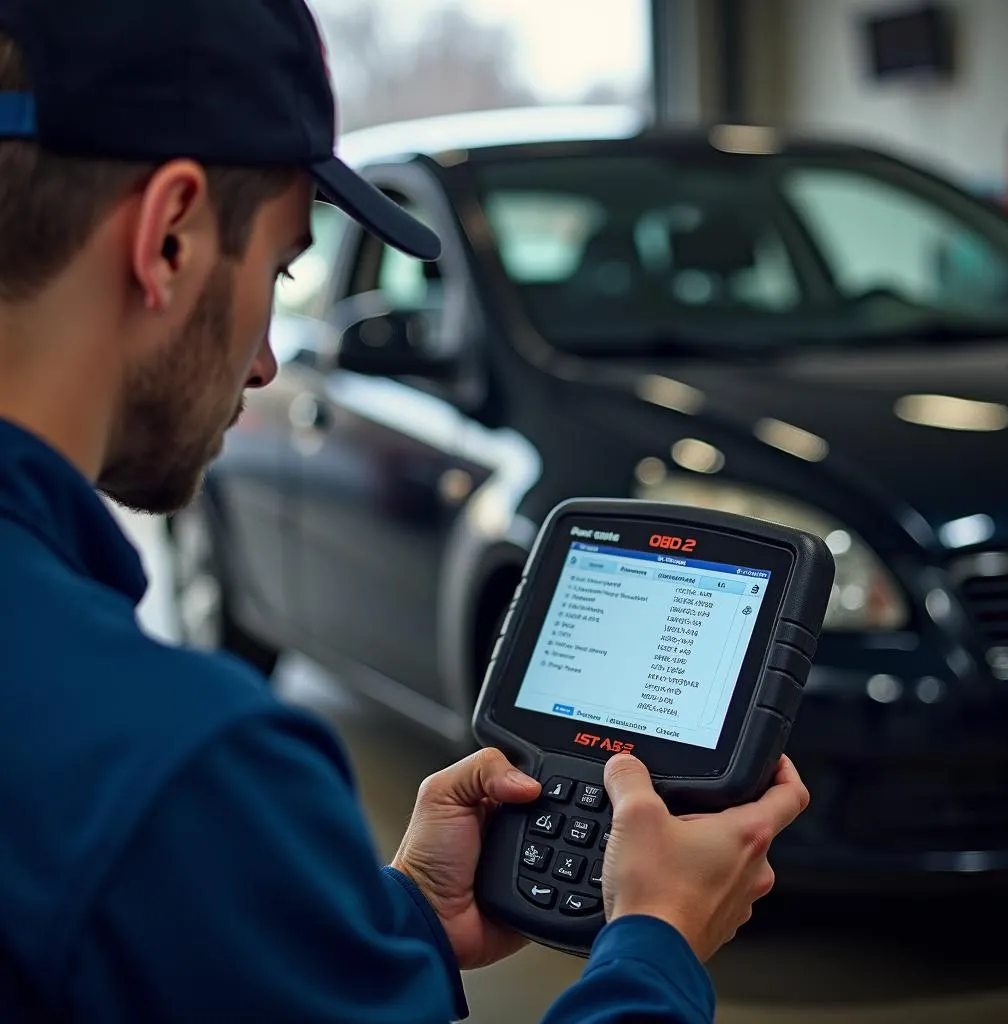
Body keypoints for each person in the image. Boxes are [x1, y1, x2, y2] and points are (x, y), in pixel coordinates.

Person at [0, 0, 810, 1021]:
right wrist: (653, 945)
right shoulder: (176, 772)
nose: (266, 362)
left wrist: (398, 921)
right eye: (281, 270)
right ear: (168, 236)